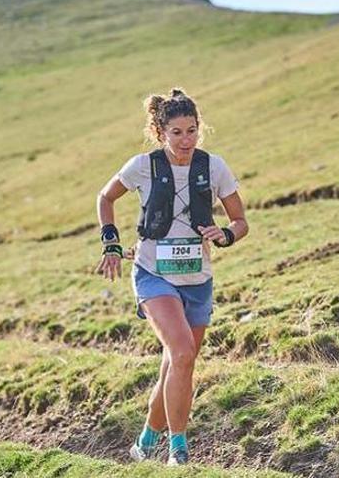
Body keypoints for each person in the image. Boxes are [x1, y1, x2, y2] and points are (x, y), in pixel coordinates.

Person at [95, 88, 249, 465]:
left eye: (192, 130)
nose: (186, 140)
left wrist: (225, 234)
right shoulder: (142, 165)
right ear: (160, 132)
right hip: (152, 274)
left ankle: (146, 439)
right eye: (177, 132)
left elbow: (240, 221)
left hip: (198, 278)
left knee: (178, 362)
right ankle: (177, 450)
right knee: (181, 351)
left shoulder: (214, 166)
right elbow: (105, 198)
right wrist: (111, 243)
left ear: (200, 130)